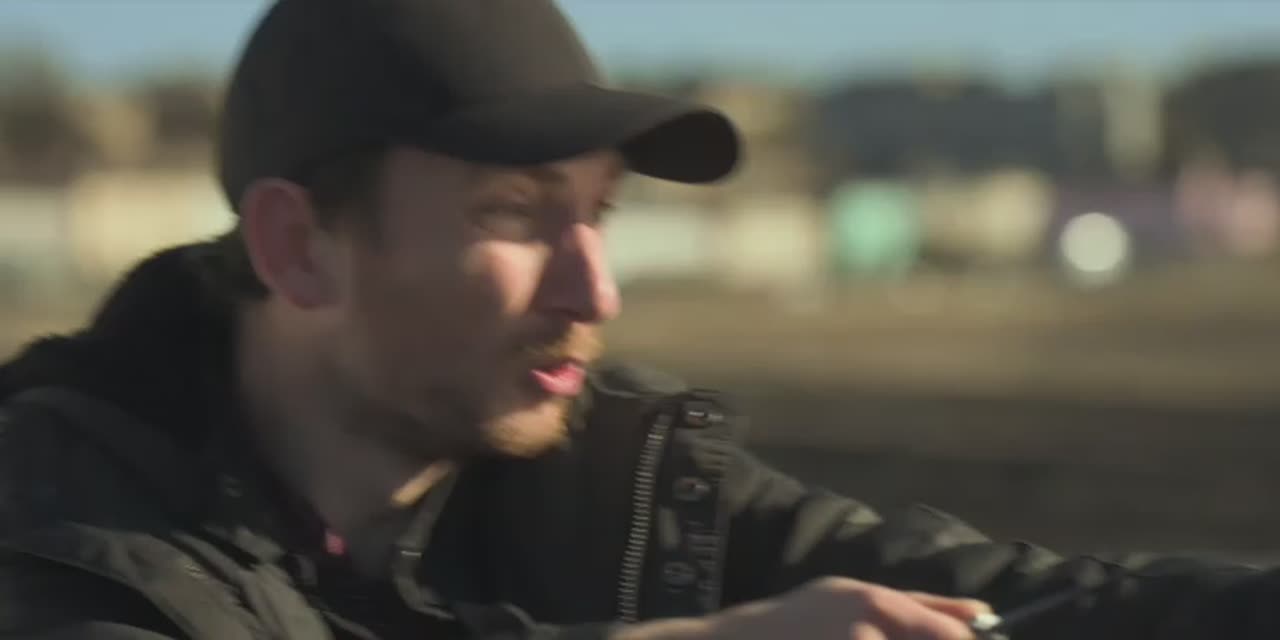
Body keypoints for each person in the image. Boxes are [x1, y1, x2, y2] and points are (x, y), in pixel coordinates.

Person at [0, 1, 1277, 639]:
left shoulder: (614, 478)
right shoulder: (59, 523)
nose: (593, 291)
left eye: (598, 214)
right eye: (514, 215)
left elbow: (1036, 603)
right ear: (298, 247)